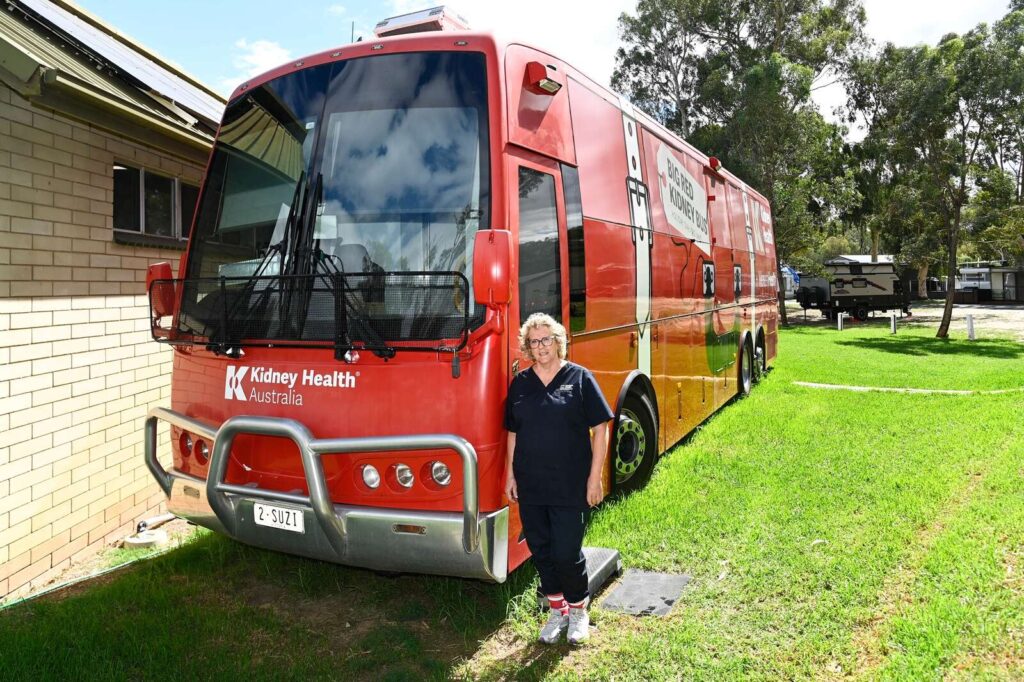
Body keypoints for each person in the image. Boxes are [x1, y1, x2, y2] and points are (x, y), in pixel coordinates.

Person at [504, 313, 614, 645]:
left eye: (546, 339)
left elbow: (600, 428)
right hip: (531, 484)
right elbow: (512, 432)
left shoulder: (579, 379)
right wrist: (510, 473)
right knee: (542, 550)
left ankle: (579, 610)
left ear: (558, 341)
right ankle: (557, 611)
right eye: (534, 341)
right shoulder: (521, 383)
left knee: (567, 552)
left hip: (570, 484)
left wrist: (594, 479)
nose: (541, 347)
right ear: (528, 347)